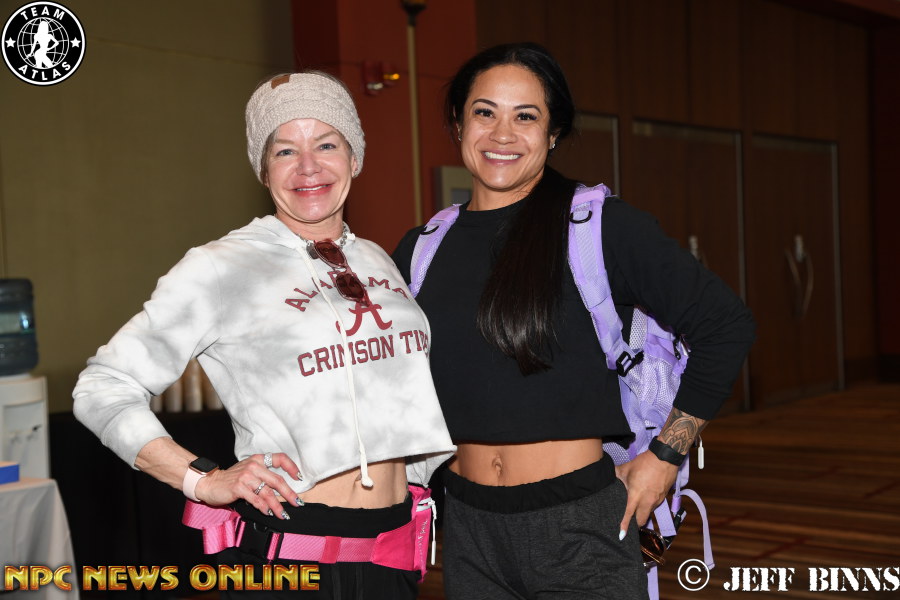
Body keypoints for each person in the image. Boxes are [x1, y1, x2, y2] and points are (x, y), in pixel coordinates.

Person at [393, 43, 755, 599]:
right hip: (467, 525)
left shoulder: (600, 227)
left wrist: (666, 456)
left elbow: (726, 324)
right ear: (458, 123)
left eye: (526, 116)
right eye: (485, 112)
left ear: (553, 132)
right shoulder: (422, 248)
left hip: (579, 524)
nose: (502, 133)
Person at [74, 71, 455, 599]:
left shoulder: (376, 259)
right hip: (292, 557)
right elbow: (102, 387)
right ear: (263, 167)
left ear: (355, 157)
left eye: (327, 144)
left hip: (391, 559)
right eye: (285, 151)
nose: (308, 166)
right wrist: (203, 479)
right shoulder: (221, 266)